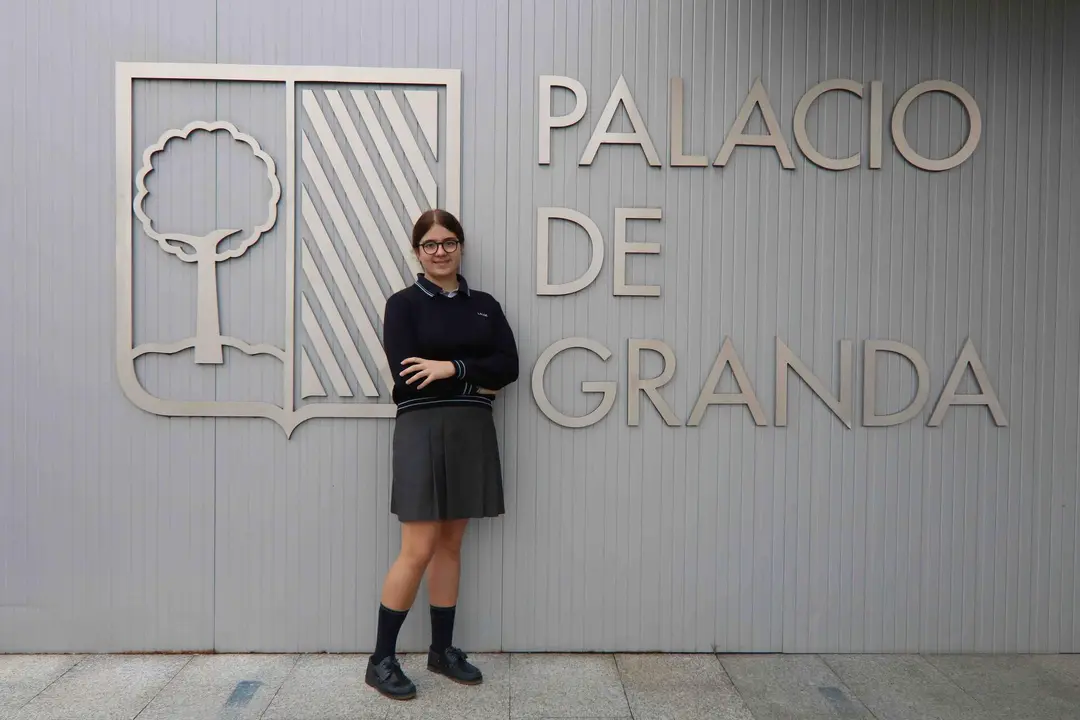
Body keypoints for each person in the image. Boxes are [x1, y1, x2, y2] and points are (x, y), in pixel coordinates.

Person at [365, 209, 519, 701]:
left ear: (461, 246)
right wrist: (476, 377)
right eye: (429, 244)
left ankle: (441, 650)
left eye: (448, 242)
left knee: (452, 544)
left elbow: (509, 366)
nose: (440, 251)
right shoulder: (404, 304)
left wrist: (449, 367)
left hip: (471, 428)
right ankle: (381, 659)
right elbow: (410, 374)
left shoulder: (486, 305)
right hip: (423, 427)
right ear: (417, 251)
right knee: (419, 546)